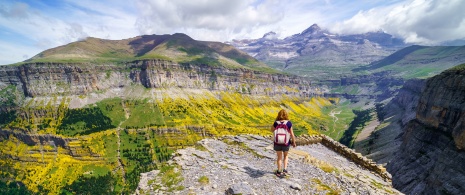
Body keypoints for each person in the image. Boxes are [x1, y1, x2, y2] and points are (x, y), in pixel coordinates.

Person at [271, 109, 296, 177]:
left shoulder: (276, 123)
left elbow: (271, 130)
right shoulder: (289, 123)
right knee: (286, 156)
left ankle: (279, 171)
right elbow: (292, 135)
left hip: (277, 142)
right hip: (286, 143)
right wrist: (294, 142)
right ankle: (285, 170)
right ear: (286, 115)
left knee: (279, 157)